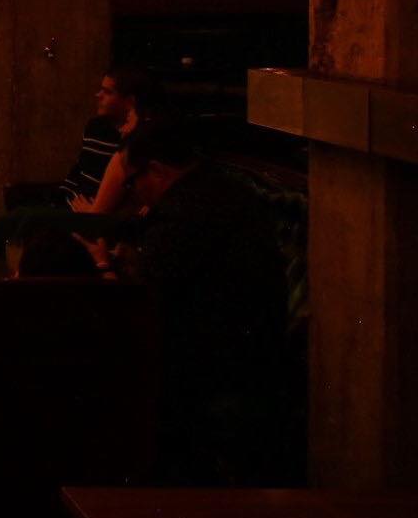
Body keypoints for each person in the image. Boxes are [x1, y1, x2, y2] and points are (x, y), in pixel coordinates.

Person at [88, 117, 289, 484]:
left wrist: (102, 264)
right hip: (249, 358)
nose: (133, 194)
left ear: (157, 171)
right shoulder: (220, 189)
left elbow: (143, 306)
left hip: (213, 374)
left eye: (132, 183)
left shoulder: (184, 211)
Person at [59, 66, 155, 208]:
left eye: (108, 92)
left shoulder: (142, 137)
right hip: (74, 201)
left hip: (103, 213)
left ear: (129, 102)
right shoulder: (96, 126)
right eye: (101, 89)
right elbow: (80, 170)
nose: (98, 95)